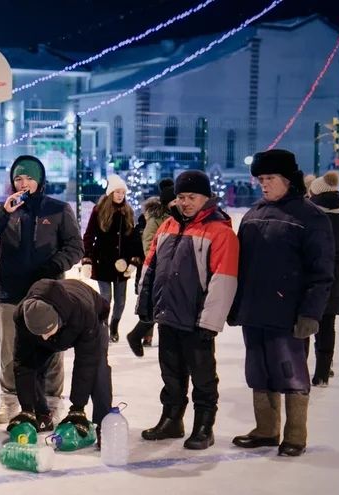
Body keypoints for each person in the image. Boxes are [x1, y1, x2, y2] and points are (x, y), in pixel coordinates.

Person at [230, 149, 334, 458]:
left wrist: (311, 313)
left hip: (289, 315)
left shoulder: (310, 217)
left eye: (270, 178)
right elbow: (241, 267)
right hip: (254, 311)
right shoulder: (252, 215)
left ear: (288, 180)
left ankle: (295, 434)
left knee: (291, 373)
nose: (264, 184)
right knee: (258, 371)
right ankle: (266, 430)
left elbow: (322, 272)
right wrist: (237, 306)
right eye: (261, 179)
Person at [0, 155, 83, 425]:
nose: (24, 183)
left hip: (48, 296)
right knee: (10, 353)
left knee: (52, 351)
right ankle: (10, 401)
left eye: (29, 178)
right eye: (19, 178)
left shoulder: (58, 209)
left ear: (40, 180)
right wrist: (3, 213)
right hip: (11, 293)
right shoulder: (5, 208)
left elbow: (75, 247)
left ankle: (51, 403)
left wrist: (54, 266)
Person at [136, 170, 239, 449]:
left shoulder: (220, 231)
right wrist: (146, 310)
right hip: (169, 316)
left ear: (206, 198)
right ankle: (171, 420)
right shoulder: (167, 226)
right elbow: (150, 268)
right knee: (171, 374)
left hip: (197, 320)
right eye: (181, 197)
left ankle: (204, 426)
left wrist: (210, 322)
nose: (185, 202)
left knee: (203, 377)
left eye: (192, 197)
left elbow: (224, 280)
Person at [11, 279, 112, 439]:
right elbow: (23, 363)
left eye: (48, 331)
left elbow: (86, 364)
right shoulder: (22, 317)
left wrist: (77, 408)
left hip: (92, 321)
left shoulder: (83, 313)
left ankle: (104, 425)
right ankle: (40, 414)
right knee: (31, 363)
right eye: (39, 334)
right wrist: (26, 409)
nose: (44, 338)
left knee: (97, 369)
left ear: (58, 320)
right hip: (62, 326)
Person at [81, 174, 144, 343]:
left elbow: (133, 239)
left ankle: (114, 326)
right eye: (117, 192)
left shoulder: (128, 212)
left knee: (121, 301)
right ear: (111, 193)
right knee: (106, 297)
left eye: (123, 192)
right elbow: (89, 235)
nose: (120, 195)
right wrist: (87, 258)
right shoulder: (99, 210)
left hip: (121, 264)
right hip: (102, 261)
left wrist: (133, 261)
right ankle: (103, 327)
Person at [307, 171, 339, 386]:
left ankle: (300, 368)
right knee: (327, 326)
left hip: (310, 276)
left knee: (305, 323)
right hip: (335, 278)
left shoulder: (310, 217)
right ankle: (323, 373)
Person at [126, 178, 175, 356]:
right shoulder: (155, 218)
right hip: (158, 268)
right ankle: (140, 335)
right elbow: (148, 244)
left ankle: (142, 336)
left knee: (161, 307)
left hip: (170, 269)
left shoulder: (177, 216)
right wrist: (160, 262)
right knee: (157, 306)